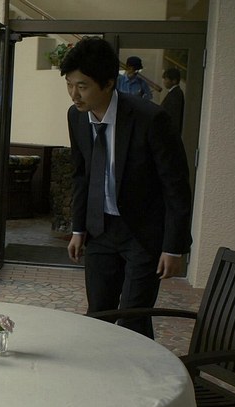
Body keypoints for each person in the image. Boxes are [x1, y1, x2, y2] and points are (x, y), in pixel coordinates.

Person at [61, 37, 192, 338]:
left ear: (109, 83)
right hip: (100, 230)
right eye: (69, 85)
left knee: (134, 318)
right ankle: (101, 367)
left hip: (142, 233)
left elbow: (176, 186)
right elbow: (80, 175)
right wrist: (78, 229)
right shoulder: (76, 116)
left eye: (82, 86)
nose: (74, 95)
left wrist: (173, 246)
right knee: (99, 315)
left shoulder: (151, 119)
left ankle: (137, 367)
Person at [161, 68, 185, 134]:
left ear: (174, 80)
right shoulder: (174, 92)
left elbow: (173, 115)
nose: (164, 81)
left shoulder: (176, 94)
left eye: (166, 79)